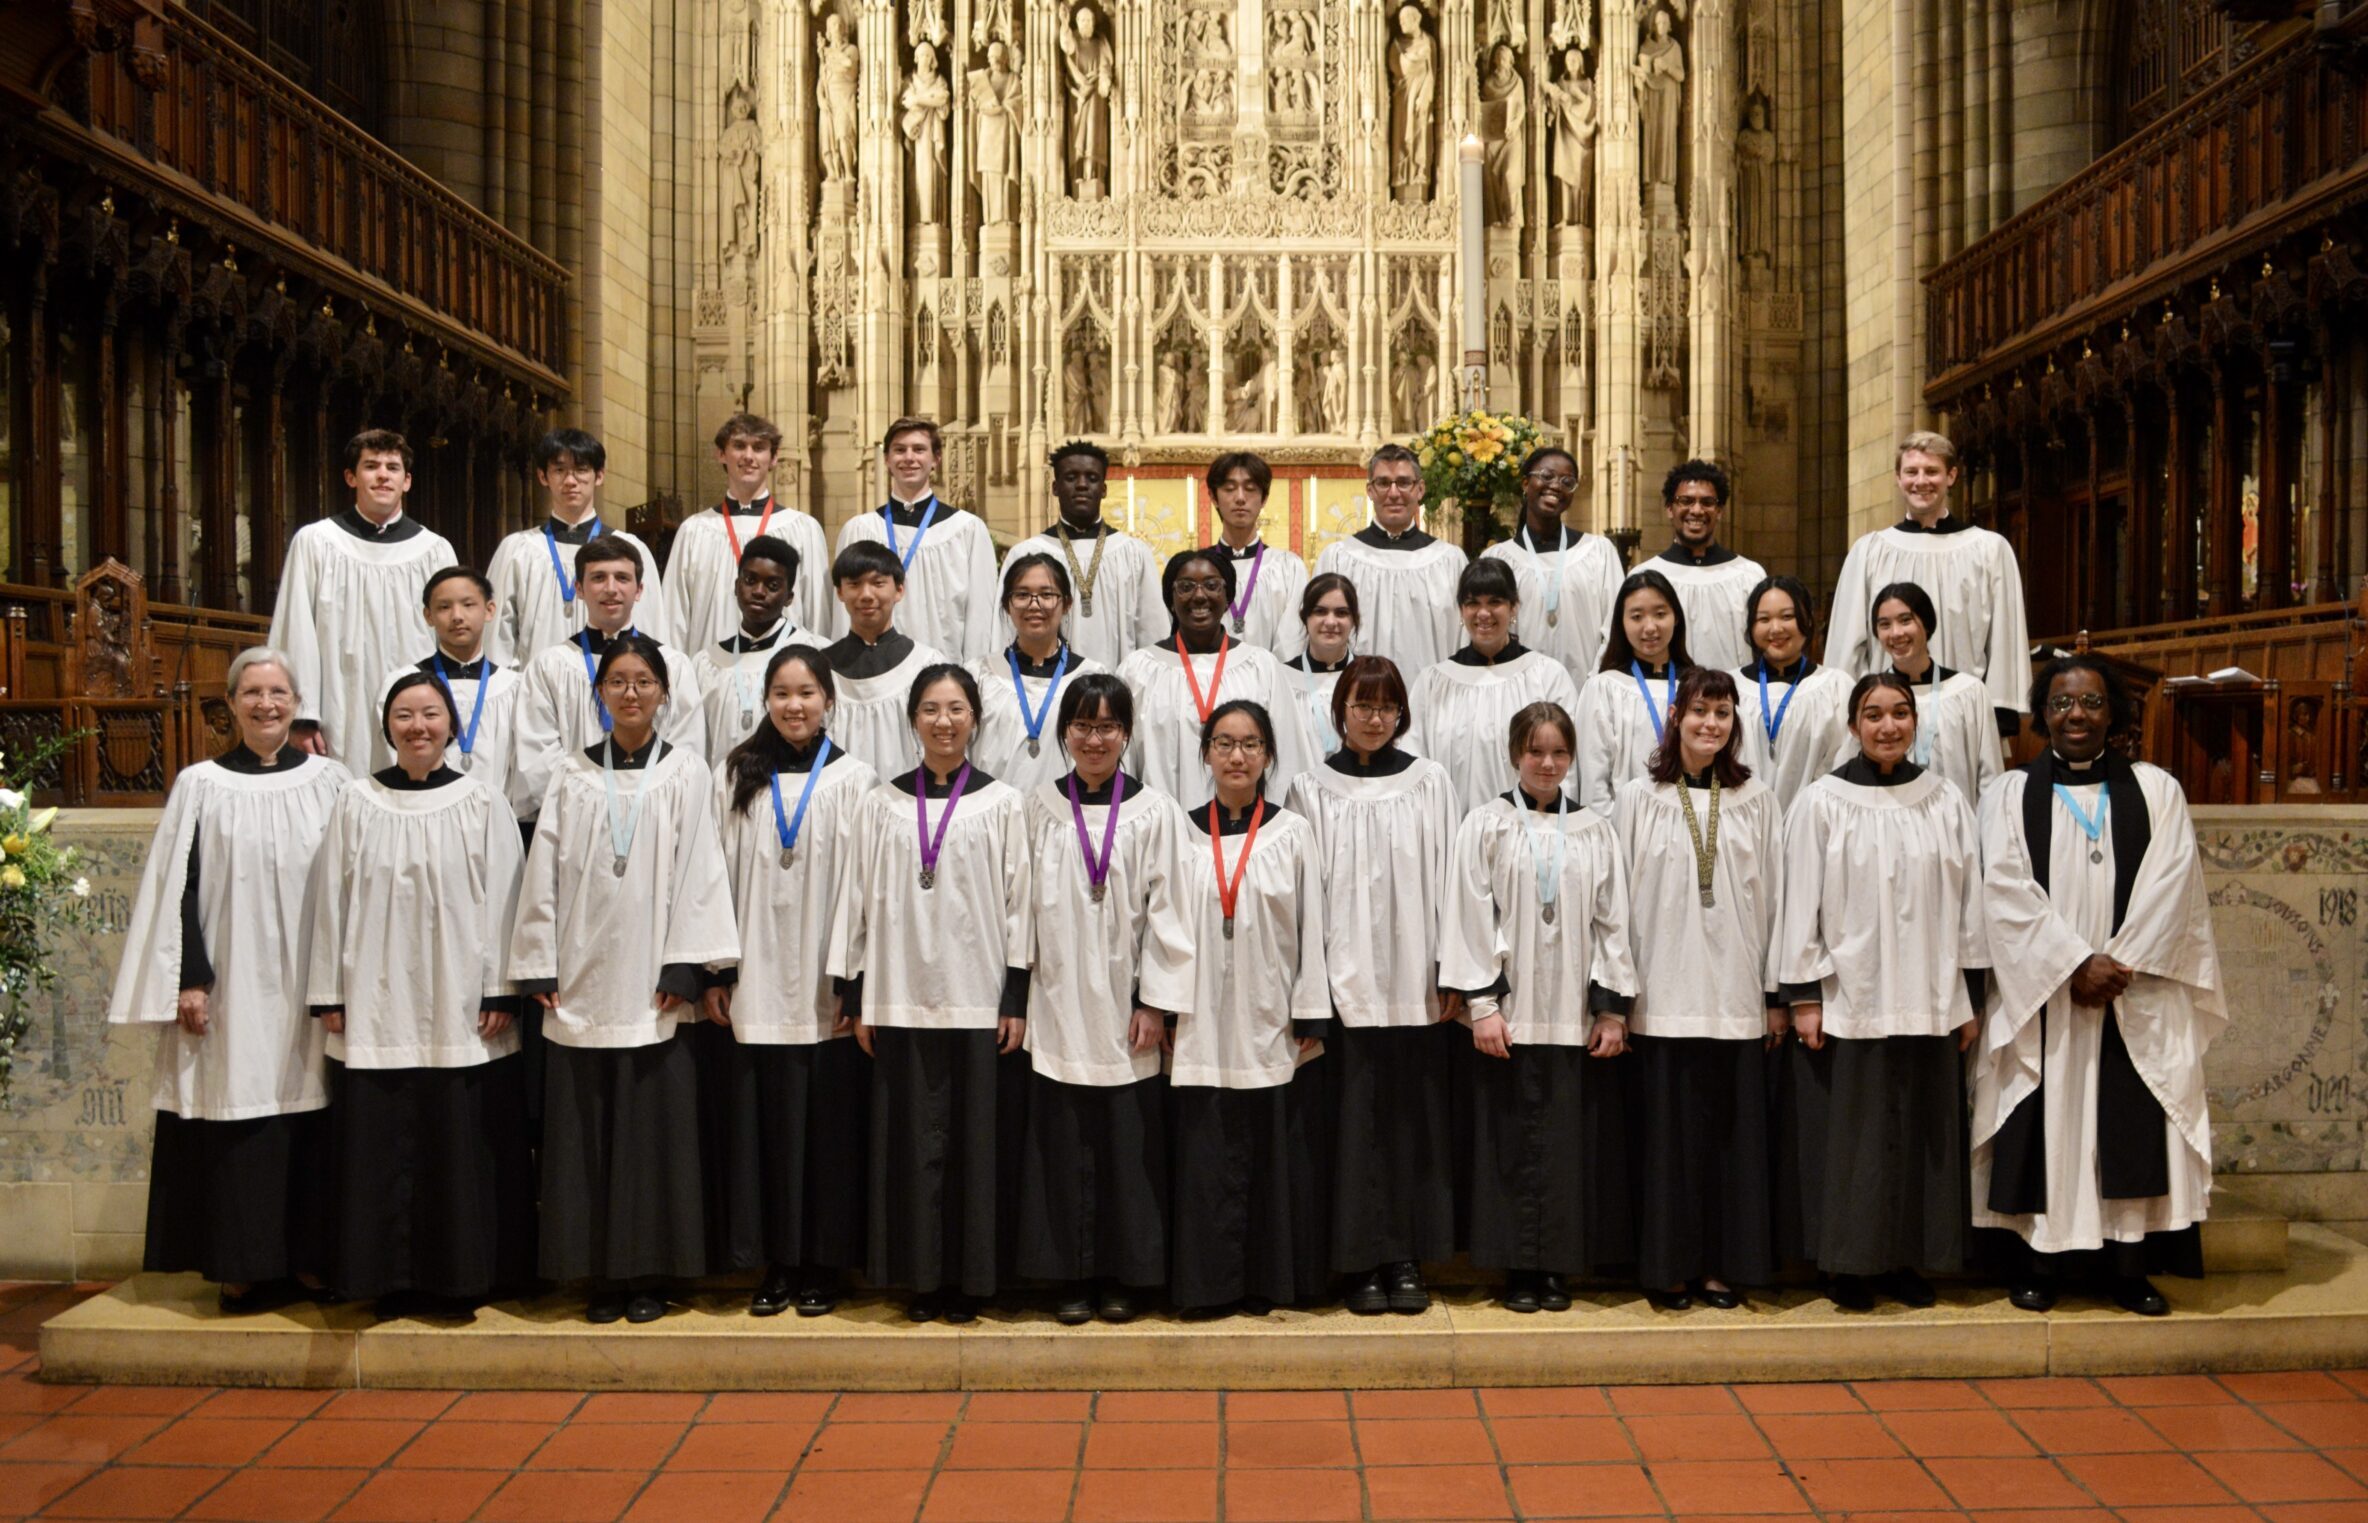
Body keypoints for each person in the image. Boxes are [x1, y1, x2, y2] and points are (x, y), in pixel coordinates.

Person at [1972, 656, 2226, 1317]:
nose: (2075, 715)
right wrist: (2070, 963)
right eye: (2060, 704)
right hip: (2047, 992)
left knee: (2128, 1119)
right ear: (2042, 713)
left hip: (2131, 989)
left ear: (2113, 711)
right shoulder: (2006, 793)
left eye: (2089, 702)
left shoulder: (2156, 789)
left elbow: (2174, 885)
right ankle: (2037, 1263)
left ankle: (2129, 1267)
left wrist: (2118, 963)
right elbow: (2000, 887)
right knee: (2045, 1117)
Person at [108, 649, 348, 1312]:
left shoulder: (332, 782)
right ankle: (242, 1265)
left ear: (297, 701)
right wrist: (190, 976)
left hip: (310, 980)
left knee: (313, 1111)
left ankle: (309, 1261)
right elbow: (176, 888)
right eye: (252, 692)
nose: (266, 704)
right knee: (238, 1112)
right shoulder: (200, 784)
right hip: (232, 982)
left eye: (277, 692)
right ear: (231, 703)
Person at [510, 635, 739, 1324]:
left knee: (653, 1134)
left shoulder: (686, 771)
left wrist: (687, 965)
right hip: (581, 977)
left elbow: (703, 866)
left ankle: (648, 1271)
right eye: (618, 680)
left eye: (644, 680)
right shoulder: (571, 775)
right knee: (587, 1134)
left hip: (655, 982)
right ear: (600, 693)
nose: (631, 691)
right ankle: (595, 1273)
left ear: (665, 693)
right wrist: (538, 960)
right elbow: (542, 871)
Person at [306, 674, 534, 1312]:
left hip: (462, 1003)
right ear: (387, 726)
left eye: (430, 714)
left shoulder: (481, 801)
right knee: (381, 1143)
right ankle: (385, 1279)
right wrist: (330, 990)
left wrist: (501, 991)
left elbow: (505, 901)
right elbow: (331, 900)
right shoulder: (357, 800)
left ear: (451, 725)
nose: (417, 726)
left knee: (457, 1139)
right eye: (403, 715)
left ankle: (461, 1278)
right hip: (375, 1001)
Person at [1777, 672, 1988, 1311]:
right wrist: (1805, 994)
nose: (1888, 726)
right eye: (1873, 715)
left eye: (1900, 713)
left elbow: (1968, 902)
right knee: (1855, 1139)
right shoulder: (1822, 801)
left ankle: (1906, 1259)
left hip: (1929, 993)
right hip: (1851, 996)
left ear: (1916, 723)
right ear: (1852, 726)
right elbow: (1800, 903)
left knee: (1919, 1131)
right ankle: (1847, 1265)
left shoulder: (1945, 800)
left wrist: (1970, 997)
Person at [831, 665, 1032, 1324]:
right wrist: (857, 993)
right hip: (900, 997)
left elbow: (1019, 906)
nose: (943, 721)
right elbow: (855, 900)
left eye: (956, 708)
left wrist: (1015, 997)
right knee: (911, 1144)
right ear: (912, 718)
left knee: (974, 1144)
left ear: (975, 717)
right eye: (930, 709)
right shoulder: (880, 802)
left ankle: (972, 1279)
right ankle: (920, 1278)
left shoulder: (1003, 802)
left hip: (978, 999)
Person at [1438, 702, 1638, 1313]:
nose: (1547, 764)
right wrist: (1482, 1003)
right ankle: (1517, 1269)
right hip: (1511, 1013)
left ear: (1572, 757)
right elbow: (1469, 912)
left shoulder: (1594, 830)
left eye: (1558, 753)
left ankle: (1556, 1268)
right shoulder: (1487, 824)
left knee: (1566, 1144)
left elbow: (1613, 924)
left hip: (1572, 1016)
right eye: (1535, 751)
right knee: (1509, 1139)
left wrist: (1610, 1010)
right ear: (1514, 754)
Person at [1140, 700, 1334, 1318]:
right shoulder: (1179, 830)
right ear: (1205, 754)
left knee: (1267, 1149)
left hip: (1268, 1014)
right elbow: (1157, 925)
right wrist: (1162, 1008)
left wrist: (1310, 1011)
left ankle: (1266, 1282)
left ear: (1269, 755)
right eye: (1223, 743)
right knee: (1204, 1152)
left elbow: (1312, 925)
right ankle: (1206, 1286)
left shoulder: (1292, 832)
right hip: (1197, 1019)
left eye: (1250, 744)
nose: (1237, 756)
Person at [707, 645, 880, 1317]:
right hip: (755, 976)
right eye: (782, 693)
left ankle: (823, 1263)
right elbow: (712, 875)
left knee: (826, 1131)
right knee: (766, 1131)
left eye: (807, 692)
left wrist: (853, 979)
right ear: (766, 701)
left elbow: (867, 888)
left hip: (823, 985)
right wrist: (717, 969)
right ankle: (776, 1262)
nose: (795, 705)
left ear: (829, 701)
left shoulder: (857, 779)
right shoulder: (736, 775)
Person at [1287, 658, 1462, 1316]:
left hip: (1416, 981)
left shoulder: (1430, 782)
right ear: (1340, 709)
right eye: (1361, 704)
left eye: (1385, 706)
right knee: (1353, 1129)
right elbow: (1303, 897)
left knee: (1412, 1125)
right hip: (1343, 984)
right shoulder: (1311, 787)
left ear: (1401, 714)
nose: (1373, 716)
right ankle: (1359, 1260)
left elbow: (1450, 878)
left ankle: (1407, 1256)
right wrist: (1312, 988)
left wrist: (1452, 969)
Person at [1014, 675, 1190, 1324]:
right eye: (1082, 727)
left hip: (1125, 1007)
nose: (1094, 739)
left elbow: (1171, 914)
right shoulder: (1037, 808)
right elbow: (1018, 910)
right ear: (1064, 733)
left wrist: (1155, 1000)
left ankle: (1124, 1274)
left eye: (1107, 726)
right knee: (1060, 1146)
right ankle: (1070, 1274)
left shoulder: (1155, 812)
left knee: (1127, 1146)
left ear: (1126, 734)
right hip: (1057, 999)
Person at [1614, 669, 1785, 1310]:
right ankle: (1669, 1267)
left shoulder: (1758, 800)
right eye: (1700, 711)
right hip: (1661, 996)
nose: (1711, 723)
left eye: (1723, 712)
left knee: (1726, 1144)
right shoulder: (1639, 797)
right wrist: (1620, 994)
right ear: (1677, 715)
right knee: (1668, 1145)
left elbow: (1776, 899)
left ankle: (1720, 1266)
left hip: (1736, 998)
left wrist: (1773, 997)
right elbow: (1619, 901)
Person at [1824, 430, 2032, 735]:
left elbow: (2004, 635)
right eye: (1911, 472)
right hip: (1886, 718)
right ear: (1898, 478)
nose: (1921, 481)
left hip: (1962, 715)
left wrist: (2000, 711)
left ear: (1951, 476)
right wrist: (1843, 709)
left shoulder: (1989, 549)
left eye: (1932, 471)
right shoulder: (1870, 551)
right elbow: (1847, 643)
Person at [268, 429, 456, 761]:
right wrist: (302, 715)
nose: (383, 475)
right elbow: (295, 630)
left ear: (407, 481)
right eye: (371, 466)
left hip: (416, 708)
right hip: (340, 705)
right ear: (351, 477)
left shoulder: (435, 551)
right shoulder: (316, 542)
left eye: (392, 467)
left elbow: (451, 637)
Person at [509, 538, 706, 825]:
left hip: (652, 816)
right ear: (579, 588)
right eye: (598, 578)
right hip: (576, 816)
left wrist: (645, 799)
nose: (611, 588)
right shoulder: (549, 665)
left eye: (622, 578)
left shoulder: (672, 665)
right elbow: (537, 756)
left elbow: (685, 747)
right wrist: (590, 798)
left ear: (639, 591)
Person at [1119, 549, 1317, 804]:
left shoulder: (1260, 667)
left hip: (1244, 834)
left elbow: (1287, 759)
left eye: (1212, 585)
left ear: (1228, 597)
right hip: (1162, 832)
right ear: (1170, 599)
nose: (1199, 595)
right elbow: (1123, 763)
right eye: (1186, 586)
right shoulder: (1138, 671)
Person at [485, 428, 673, 664]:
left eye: (581, 470)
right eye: (559, 470)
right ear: (543, 477)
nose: (570, 481)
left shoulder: (629, 549)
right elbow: (497, 640)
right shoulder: (517, 550)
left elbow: (650, 628)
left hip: (614, 689)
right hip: (537, 692)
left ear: (599, 476)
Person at [1412, 559, 1583, 816]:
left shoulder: (1547, 676)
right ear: (1461, 611)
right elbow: (1416, 764)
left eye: (1495, 602)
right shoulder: (1433, 683)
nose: (1483, 613)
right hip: (1452, 832)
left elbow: (1565, 766)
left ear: (1513, 607)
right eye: (1473, 603)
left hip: (1531, 833)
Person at [665, 413, 836, 653]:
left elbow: (819, 615)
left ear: (773, 458)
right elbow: (674, 618)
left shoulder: (803, 529)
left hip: (785, 676)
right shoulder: (694, 530)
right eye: (738, 446)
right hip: (711, 673)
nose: (748, 456)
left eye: (758, 447)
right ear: (721, 454)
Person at [834, 417, 999, 660]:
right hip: (873, 674)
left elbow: (981, 617)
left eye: (919, 449)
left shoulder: (966, 530)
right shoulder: (860, 530)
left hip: (944, 678)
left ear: (936, 460)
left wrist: (973, 681)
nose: (909, 458)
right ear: (887, 460)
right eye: (900, 450)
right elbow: (842, 614)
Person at [997, 442, 1162, 668]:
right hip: (1042, 687)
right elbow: (1004, 629)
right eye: (1071, 477)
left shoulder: (1134, 554)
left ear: (1104, 489)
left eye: (1092, 478)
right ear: (1055, 487)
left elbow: (1153, 632)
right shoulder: (1027, 553)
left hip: (1119, 689)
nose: (1082, 485)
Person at [1840, 582, 2003, 808]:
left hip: (1955, 826)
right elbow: (1850, 769)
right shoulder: (1870, 697)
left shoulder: (1968, 692)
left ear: (1926, 624)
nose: (1896, 633)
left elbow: (1990, 778)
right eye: (1884, 624)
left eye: (1905, 620)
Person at [1312, 445, 1467, 679]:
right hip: (1355, 703)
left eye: (1404, 482)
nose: (1393, 493)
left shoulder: (1449, 561)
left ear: (1420, 489)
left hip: (1434, 701)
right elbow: (1316, 636)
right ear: (1370, 491)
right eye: (1383, 483)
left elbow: (1464, 638)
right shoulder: (1338, 558)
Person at [1480, 447, 1625, 686]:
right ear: (1526, 483)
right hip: (1515, 692)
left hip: (1585, 691)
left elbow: (1616, 626)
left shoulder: (1598, 552)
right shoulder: (1497, 558)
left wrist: (1595, 683)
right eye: (1547, 476)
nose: (1556, 486)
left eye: (1567, 481)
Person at [376, 567, 521, 803]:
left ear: (489, 610)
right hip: (419, 810)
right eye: (444, 607)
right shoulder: (402, 684)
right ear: (428, 616)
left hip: (493, 815)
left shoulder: (513, 686)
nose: (457, 616)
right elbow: (389, 755)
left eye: (468, 604)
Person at [972, 554, 1110, 794]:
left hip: (1067, 818)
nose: (1034, 605)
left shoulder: (1091, 678)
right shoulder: (980, 675)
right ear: (1007, 604)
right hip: (994, 819)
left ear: (1066, 604)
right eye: (1022, 595)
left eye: (1047, 595)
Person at [820, 541, 949, 776]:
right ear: (840, 591)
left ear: (899, 590)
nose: (866, 595)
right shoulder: (820, 667)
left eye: (878, 583)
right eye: (854, 584)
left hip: (909, 800)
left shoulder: (926, 664)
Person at [1575, 569, 1696, 814]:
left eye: (1660, 614)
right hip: (1626, 831)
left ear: (1677, 618)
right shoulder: (1604, 688)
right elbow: (1594, 782)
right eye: (1637, 616)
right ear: (1621, 623)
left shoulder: (1696, 687)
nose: (1650, 627)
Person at [1730, 576, 1852, 810]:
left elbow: (1843, 760)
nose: (1776, 629)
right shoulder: (1731, 687)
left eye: (1787, 616)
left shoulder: (1836, 687)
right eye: (1764, 619)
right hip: (1741, 825)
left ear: (1807, 620)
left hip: (1815, 821)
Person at [1641, 460, 1767, 673]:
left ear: (1719, 511)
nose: (1697, 510)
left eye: (1707, 502)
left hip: (1736, 700)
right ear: (1670, 509)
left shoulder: (1749, 575)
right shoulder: (1646, 577)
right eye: (1686, 501)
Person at [693, 534, 805, 761]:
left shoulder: (812, 653)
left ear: (789, 597)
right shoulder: (707, 662)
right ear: (736, 586)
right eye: (750, 580)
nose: (758, 592)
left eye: (772, 585)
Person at [1203, 452, 1308, 654]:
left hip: (1272, 681)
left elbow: (1292, 641)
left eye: (1250, 489)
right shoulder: (1198, 568)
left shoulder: (1287, 568)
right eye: (1229, 488)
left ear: (1264, 498)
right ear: (1213, 497)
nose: (1240, 498)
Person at [1285, 574, 1359, 756]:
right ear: (1305, 618)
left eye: (1341, 613)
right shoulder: (1282, 678)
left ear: (1353, 620)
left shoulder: (1370, 677)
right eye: (1320, 611)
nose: (1331, 622)